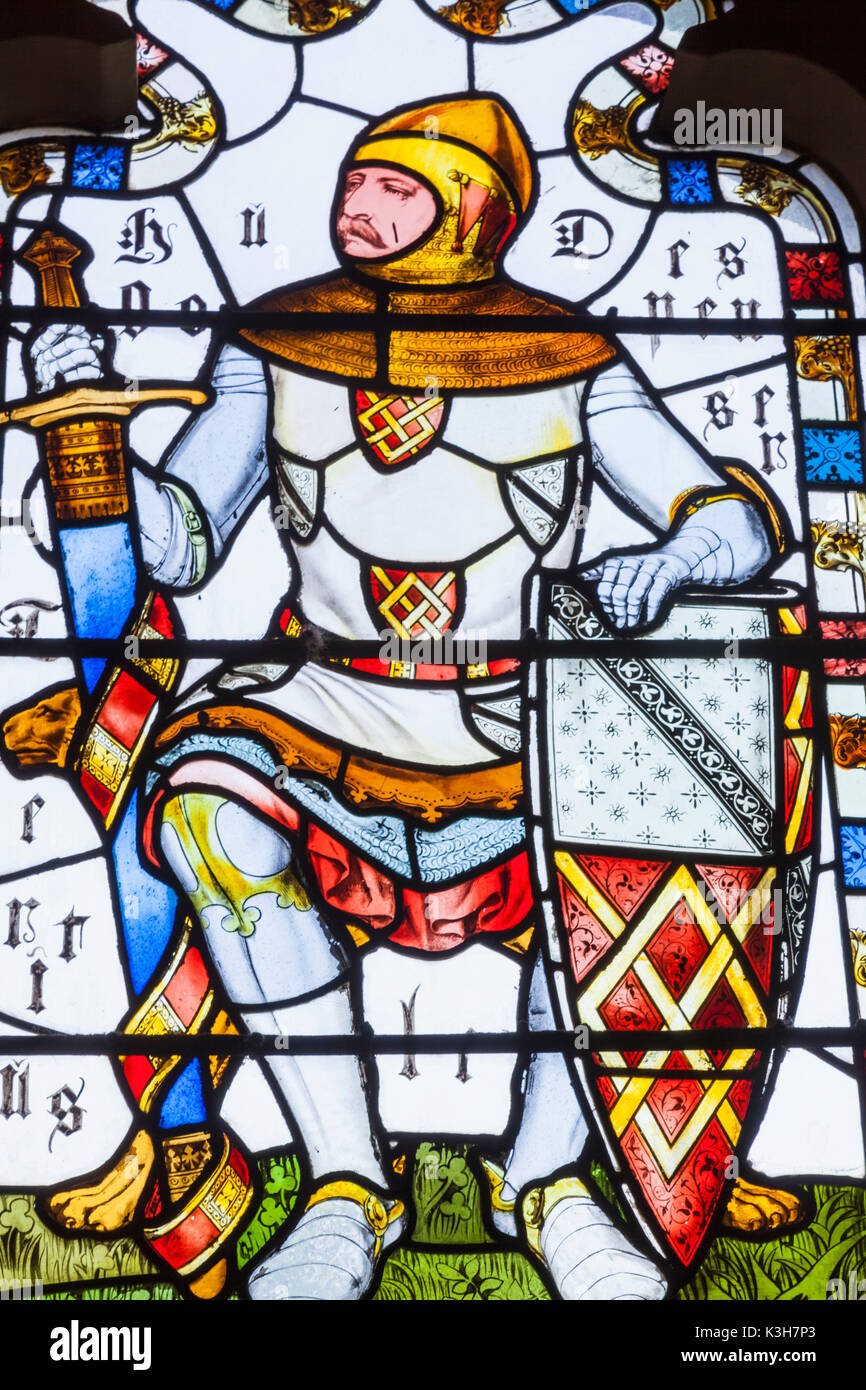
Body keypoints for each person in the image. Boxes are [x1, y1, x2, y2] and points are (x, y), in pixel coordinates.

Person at [30, 95, 784, 1299]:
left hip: (516, 714)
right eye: (355, 181)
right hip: (326, 694)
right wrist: (94, 435)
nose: (356, 206)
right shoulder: (275, 340)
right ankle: (343, 1185)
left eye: (396, 188)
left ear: (475, 211)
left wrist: (677, 558)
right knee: (200, 811)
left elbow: (735, 518)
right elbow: (178, 546)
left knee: (638, 841)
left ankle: (552, 1182)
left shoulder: (570, 357)